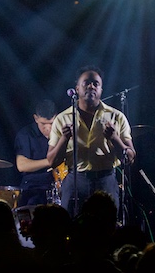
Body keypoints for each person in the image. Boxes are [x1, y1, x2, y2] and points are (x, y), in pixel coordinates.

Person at [47, 65, 135, 218]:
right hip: (76, 180)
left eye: (96, 83)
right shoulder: (62, 118)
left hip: (105, 180)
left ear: (101, 90)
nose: (91, 86)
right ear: (77, 88)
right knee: (71, 229)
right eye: (86, 82)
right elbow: (52, 161)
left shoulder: (117, 117)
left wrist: (114, 138)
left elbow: (130, 156)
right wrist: (64, 138)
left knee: (106, 230)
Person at [14, 99, 57, 208]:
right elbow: (22, 165)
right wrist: (49, 161)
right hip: (34, 187)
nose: (47, 128)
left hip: (58, 185)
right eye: (43, 124)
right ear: (36, 118)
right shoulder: (25, 134)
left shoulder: (62, 133)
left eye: (51, 123)